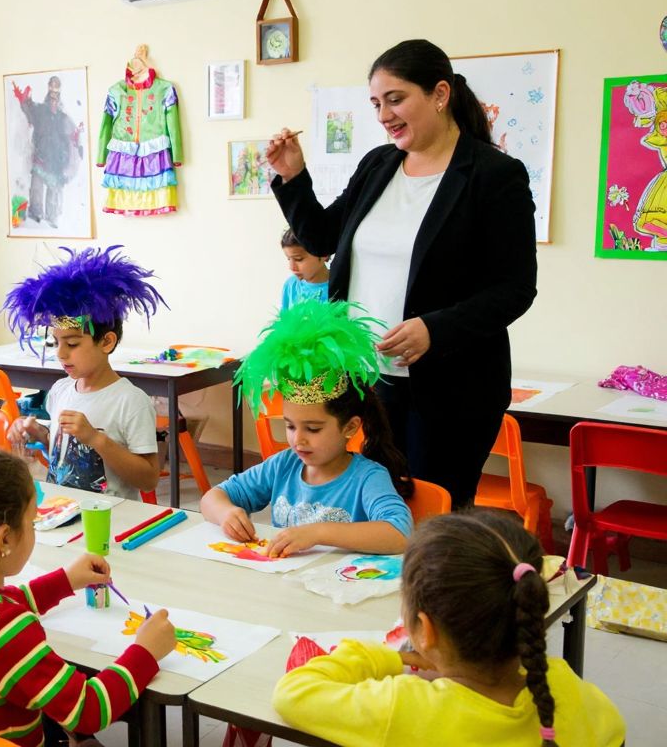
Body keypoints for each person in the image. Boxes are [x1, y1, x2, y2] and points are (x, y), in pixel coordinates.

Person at [265, 38, 537, 508]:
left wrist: (435, 329)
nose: (384, 115)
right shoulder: (379, 164)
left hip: (452, 387)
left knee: (434, 513)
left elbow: (515, 288)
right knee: (381, 506)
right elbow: (324, 237)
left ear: (440, 94)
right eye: (376, 104)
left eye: (395, 99)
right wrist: (293, 176)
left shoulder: (494, 174)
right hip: (372, 380)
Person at [0, 446, 175, 746]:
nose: (34, 529)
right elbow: (88, 710)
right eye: (32, 522)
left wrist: (65, 581)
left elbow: (1, 604)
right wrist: (146, 651)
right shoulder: (5, 630)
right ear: (5, 538)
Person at [274, 510, 626, 746]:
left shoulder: (403, 707)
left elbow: (294, 694)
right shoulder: (568, 687)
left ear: (425, 631)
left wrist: (380, 656)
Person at [202, 301, 412, 557]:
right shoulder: (283, 465)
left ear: (350, 427)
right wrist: (227, 513)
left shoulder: (367, 477)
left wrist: (318, 532)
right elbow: (212, 497)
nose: (298, 440)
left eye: (312, 429)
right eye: (290, 426)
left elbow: (400, 534)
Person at [3, 246, 163, 498]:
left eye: (72, 344)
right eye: (56, 343)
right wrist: (41, 434)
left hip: (109, 514)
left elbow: (149, 479)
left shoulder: (131, 401)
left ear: (106, 342)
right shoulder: (60, 390)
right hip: (62, 507)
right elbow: (64, 454)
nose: (61, 353)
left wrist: (96, 439)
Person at [11, 76, 83, 227]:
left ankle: (52, 222)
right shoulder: (40, 111)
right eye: (51, 93)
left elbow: (73, 137)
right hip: (41, 157)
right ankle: (35, 218)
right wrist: (24, 100)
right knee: (36, 190)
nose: (53, 99)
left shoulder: (64, 118)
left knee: (54, 196)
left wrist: (78, 140)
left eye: (56, 94)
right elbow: (29, 110)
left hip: (57, 162)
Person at [279, 228, 330, 310]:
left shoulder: (339, 285)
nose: (291, 267)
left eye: (298, 259)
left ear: (324, 254)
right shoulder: (290, 285)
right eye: (288, 259)